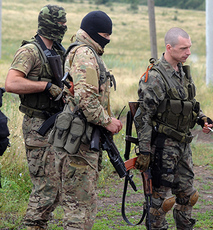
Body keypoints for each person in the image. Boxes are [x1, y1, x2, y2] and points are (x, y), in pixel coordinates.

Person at [48, 11, 122, 229]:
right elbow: (86, 99)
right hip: (79, 143)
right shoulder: (85, 55)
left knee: (82, 205)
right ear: (93, 33)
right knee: (79, 209)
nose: (107, 39)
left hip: (81, 137)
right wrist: (107, 120)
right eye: (104, 34)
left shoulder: (83, 51)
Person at [134, 27, 213, 230]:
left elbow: (189, 103)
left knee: (188, 195)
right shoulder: (155, 77)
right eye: (184, 48)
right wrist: (144, 151)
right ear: (169, 48)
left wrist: (202, 118)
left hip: (183, 144)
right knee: (161, 200)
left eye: (189, 48)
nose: (188, 52)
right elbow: (143, 116)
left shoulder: (182, 72)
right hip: (163, 146)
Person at [4, 5, 67, 230]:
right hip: (37, 126)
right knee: (45, 189)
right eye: (59, 24)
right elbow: (11, 83)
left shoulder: (59, 50)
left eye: (64, 23)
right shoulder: (30, 51)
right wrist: (45, 86)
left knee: (56, 188)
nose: (63, 27)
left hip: (57, 125)